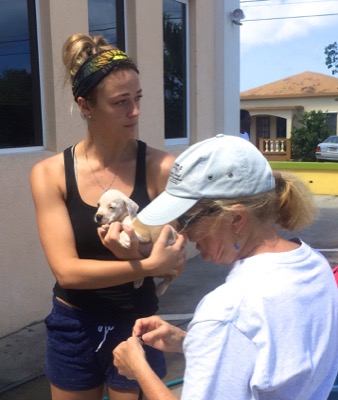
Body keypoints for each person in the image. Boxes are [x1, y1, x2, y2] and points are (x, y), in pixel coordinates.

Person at [113, 134, 338, 400]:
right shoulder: (314, 265)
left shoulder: (228, 309)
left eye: (187, 219)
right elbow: (279, 360)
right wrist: (194, 342)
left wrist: (139, 369)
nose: (185, 234)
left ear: (236, 219)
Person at [30, 33, 186, 400]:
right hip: (75, 326)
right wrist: (143, 266)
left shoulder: (162, 168)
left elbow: (172, 263)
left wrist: (136, 258)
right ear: (85, 105)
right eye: (120, 102)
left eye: (138, 98)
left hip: (137, 324)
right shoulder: (50, 173)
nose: (134, 112)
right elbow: (68, 272)